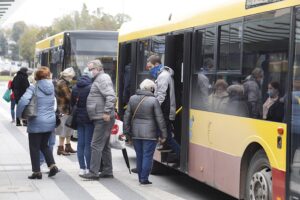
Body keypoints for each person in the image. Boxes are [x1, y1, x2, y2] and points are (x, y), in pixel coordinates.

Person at [16, 67, 59, 179]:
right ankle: (52, 165)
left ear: (37, 77)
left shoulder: (33, 88)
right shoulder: (51, 88)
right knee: (44, 145)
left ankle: (36, 172)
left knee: (34, 147)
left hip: (36, 121)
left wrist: (19, 115)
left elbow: (23, 101)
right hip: (50, 121)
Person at [124, 79, 167, 185]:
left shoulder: (132, 98)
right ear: (151, 88)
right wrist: (164, 134)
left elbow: (127, 116)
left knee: (139, 155)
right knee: (147, 155)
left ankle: (140, 177)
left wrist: (126, 132)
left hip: (136, 133)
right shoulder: (154, 101)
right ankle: (144, 178)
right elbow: (159, 118)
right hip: (150, 134)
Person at [81, 59, 116, 180]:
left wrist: (106, 112)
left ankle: (93, 172)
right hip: (101, 116)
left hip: (103, 117)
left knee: (95, 145)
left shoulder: (103, 78)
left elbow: (111, 96)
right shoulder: (99, 78)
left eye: (91, 69)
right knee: (104, 146)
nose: (89, 72)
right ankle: (107, 170)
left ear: (98, 68)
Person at [146, 55, 180, 162]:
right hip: (164, 111)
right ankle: (177, 155)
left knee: (167, 136)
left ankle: (180, 156)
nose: (149, 69)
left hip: (164, 112)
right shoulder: (162, 75)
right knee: (166, 135)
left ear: (156, 64)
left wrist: (153, 108)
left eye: (150, 67)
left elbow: (161, 95)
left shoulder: (163, 76)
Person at [71, 68, 94, 176]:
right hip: (89, 119)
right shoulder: (91, 87)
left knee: (80, 144)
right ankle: (89, 168)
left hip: (78, 119)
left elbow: (72, 104)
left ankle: (82, 168)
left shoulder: (75, 87)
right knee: (88, 144)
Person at [55, 67, 76, 156]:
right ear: (67, 76)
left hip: (65, 109)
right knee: (63, 129)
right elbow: (69, 96)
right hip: (63, 109)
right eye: (71, 77)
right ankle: (60, 148)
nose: (72, 79)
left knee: (68, 128)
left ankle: (68, 146)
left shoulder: (62, 82)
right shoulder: (62, 83)